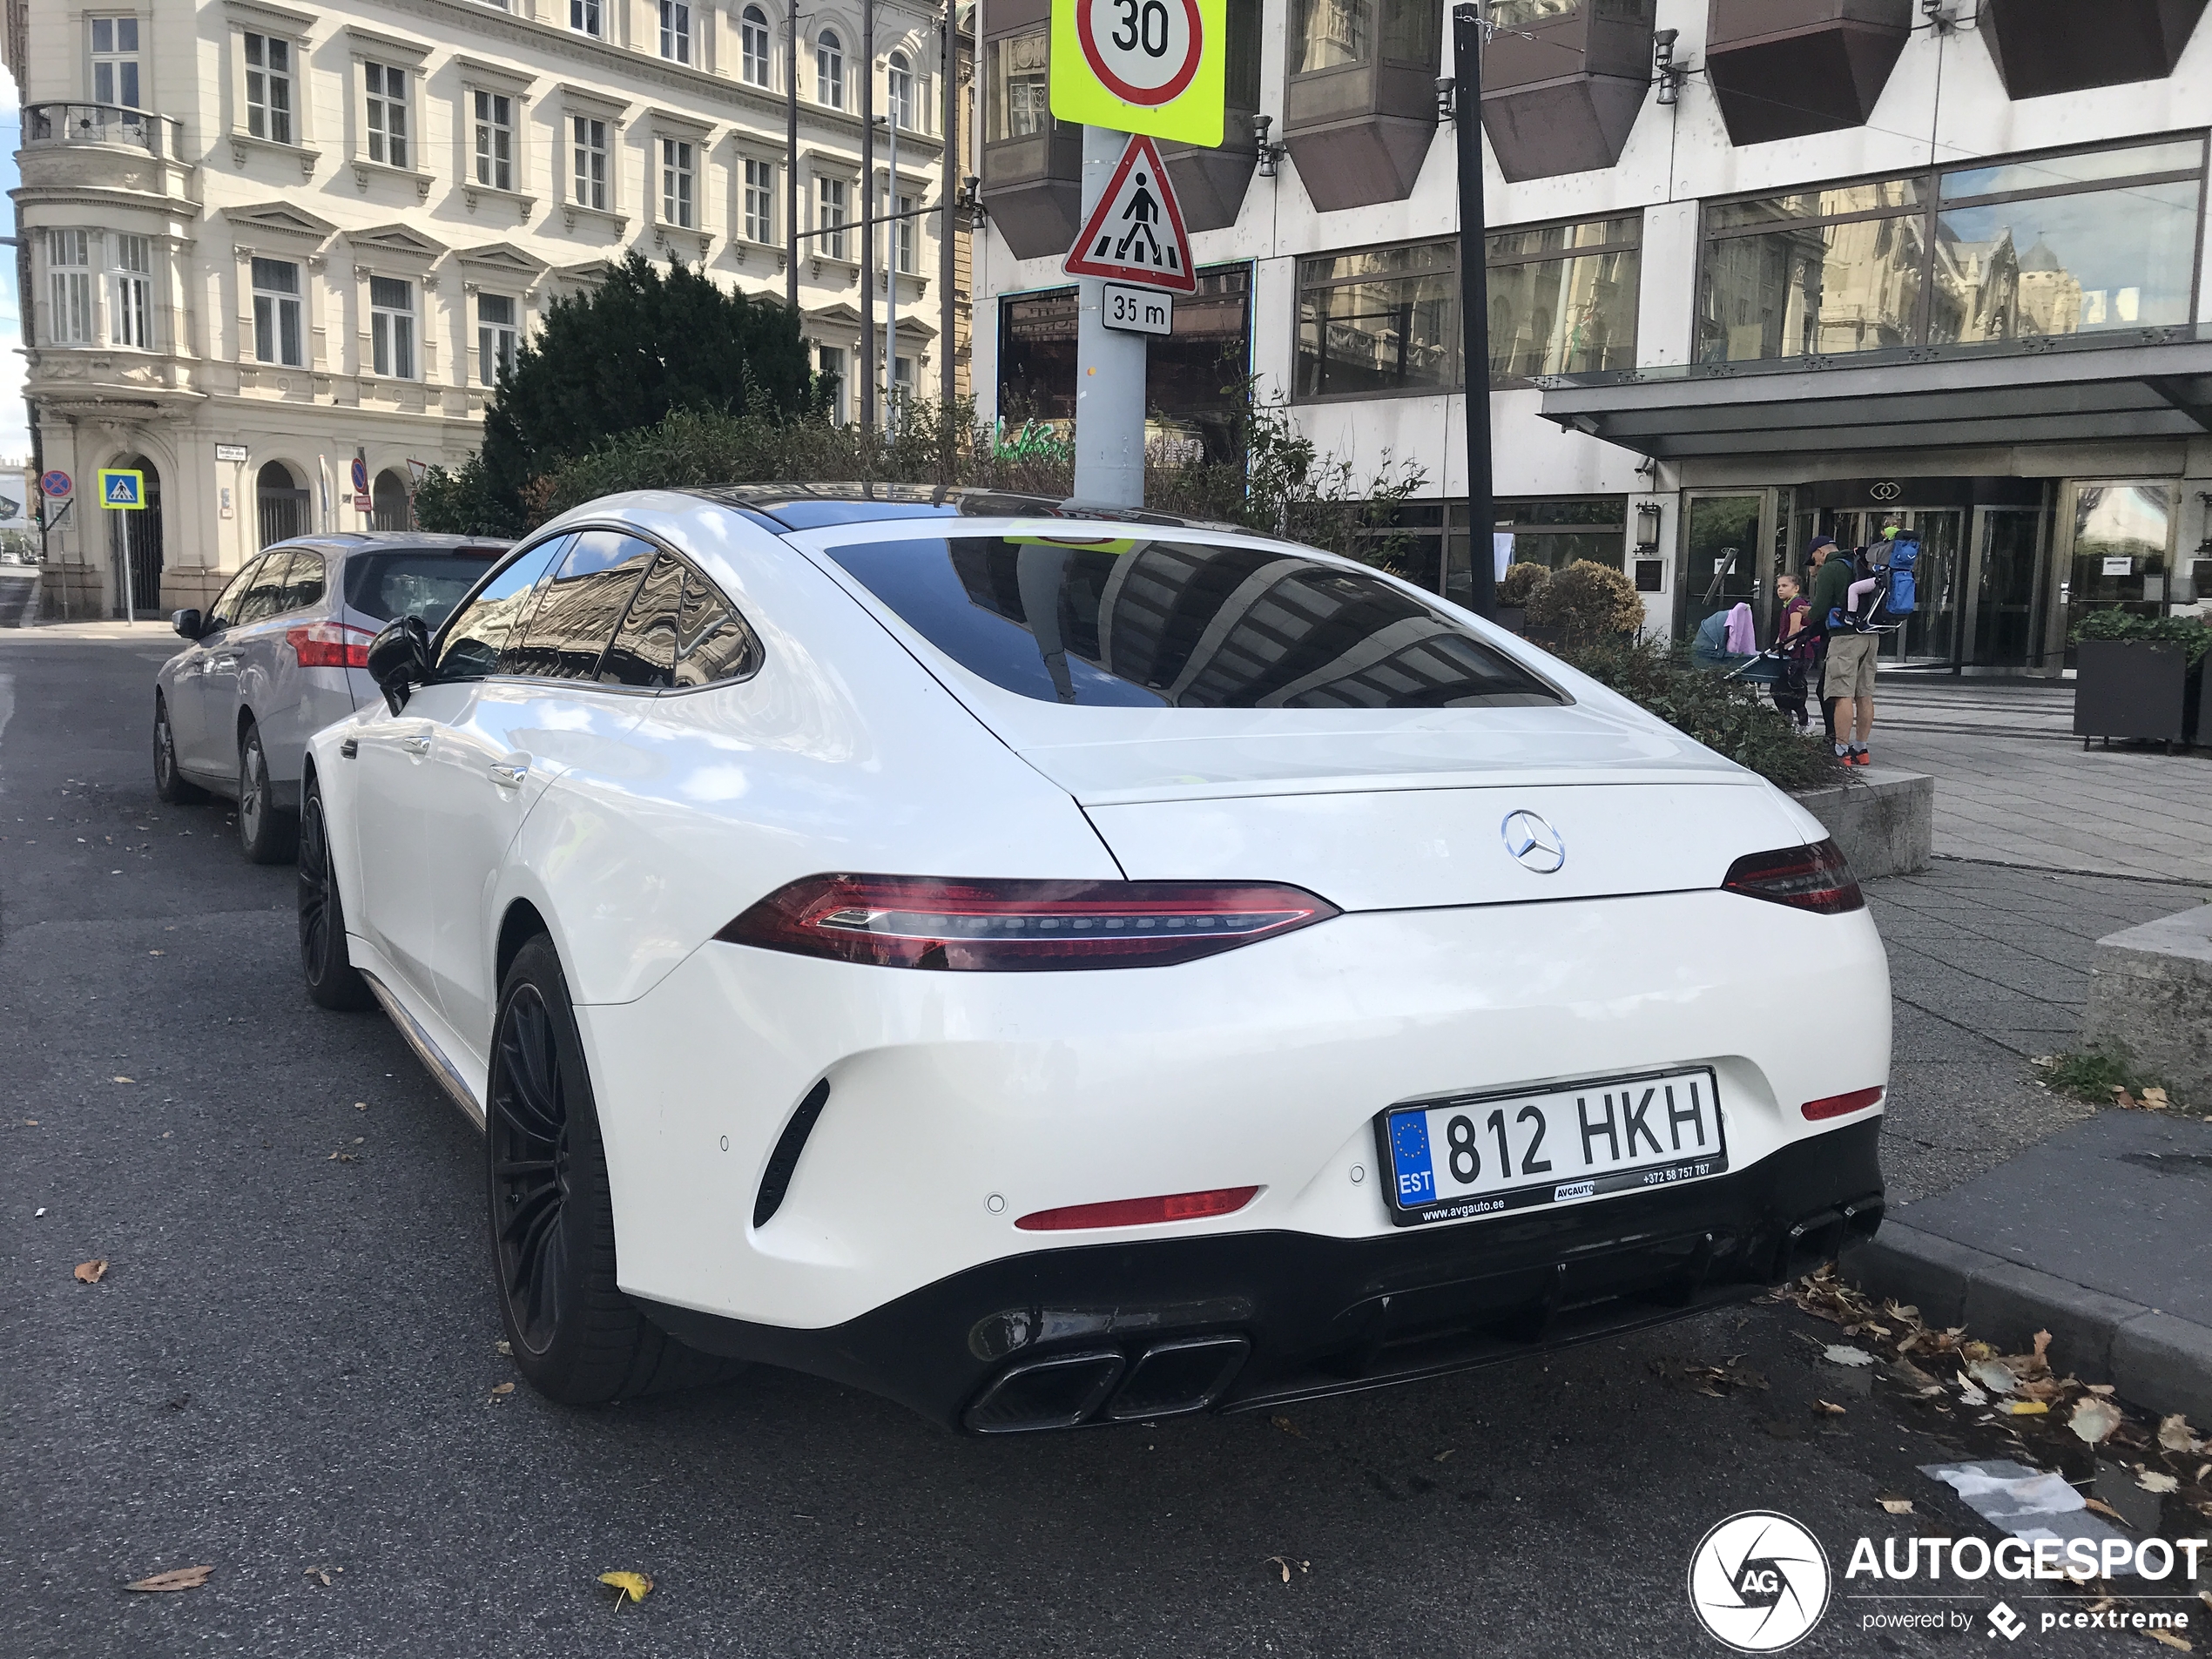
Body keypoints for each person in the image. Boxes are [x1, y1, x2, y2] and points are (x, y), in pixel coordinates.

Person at [1804, 536, 1849, 745]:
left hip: (1842, 636)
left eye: (1814, 559)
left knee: (1829, 690)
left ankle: (1835, 739)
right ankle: (1859, 745)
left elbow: (1820, 610)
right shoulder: (1852, 563)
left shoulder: (1830, 570)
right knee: (1859, 694)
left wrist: (1809, 613)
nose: (1815, 564)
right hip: (1866, 633)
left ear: (1821, 552)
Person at [1770, 572, 1811, 730]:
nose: (1780, 589)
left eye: (1784, 586)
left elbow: (1794, 629)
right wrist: (1774, 650)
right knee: (1782, 687)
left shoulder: (1796, 604)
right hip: (1793, 652)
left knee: (1790, 687)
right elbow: (1783, 632)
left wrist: (1785, 648)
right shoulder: (1788, 604)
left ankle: (1802, 720)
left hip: (1799, 653)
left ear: (1796, 588)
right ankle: (1788, 722)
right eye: (1778, 586)